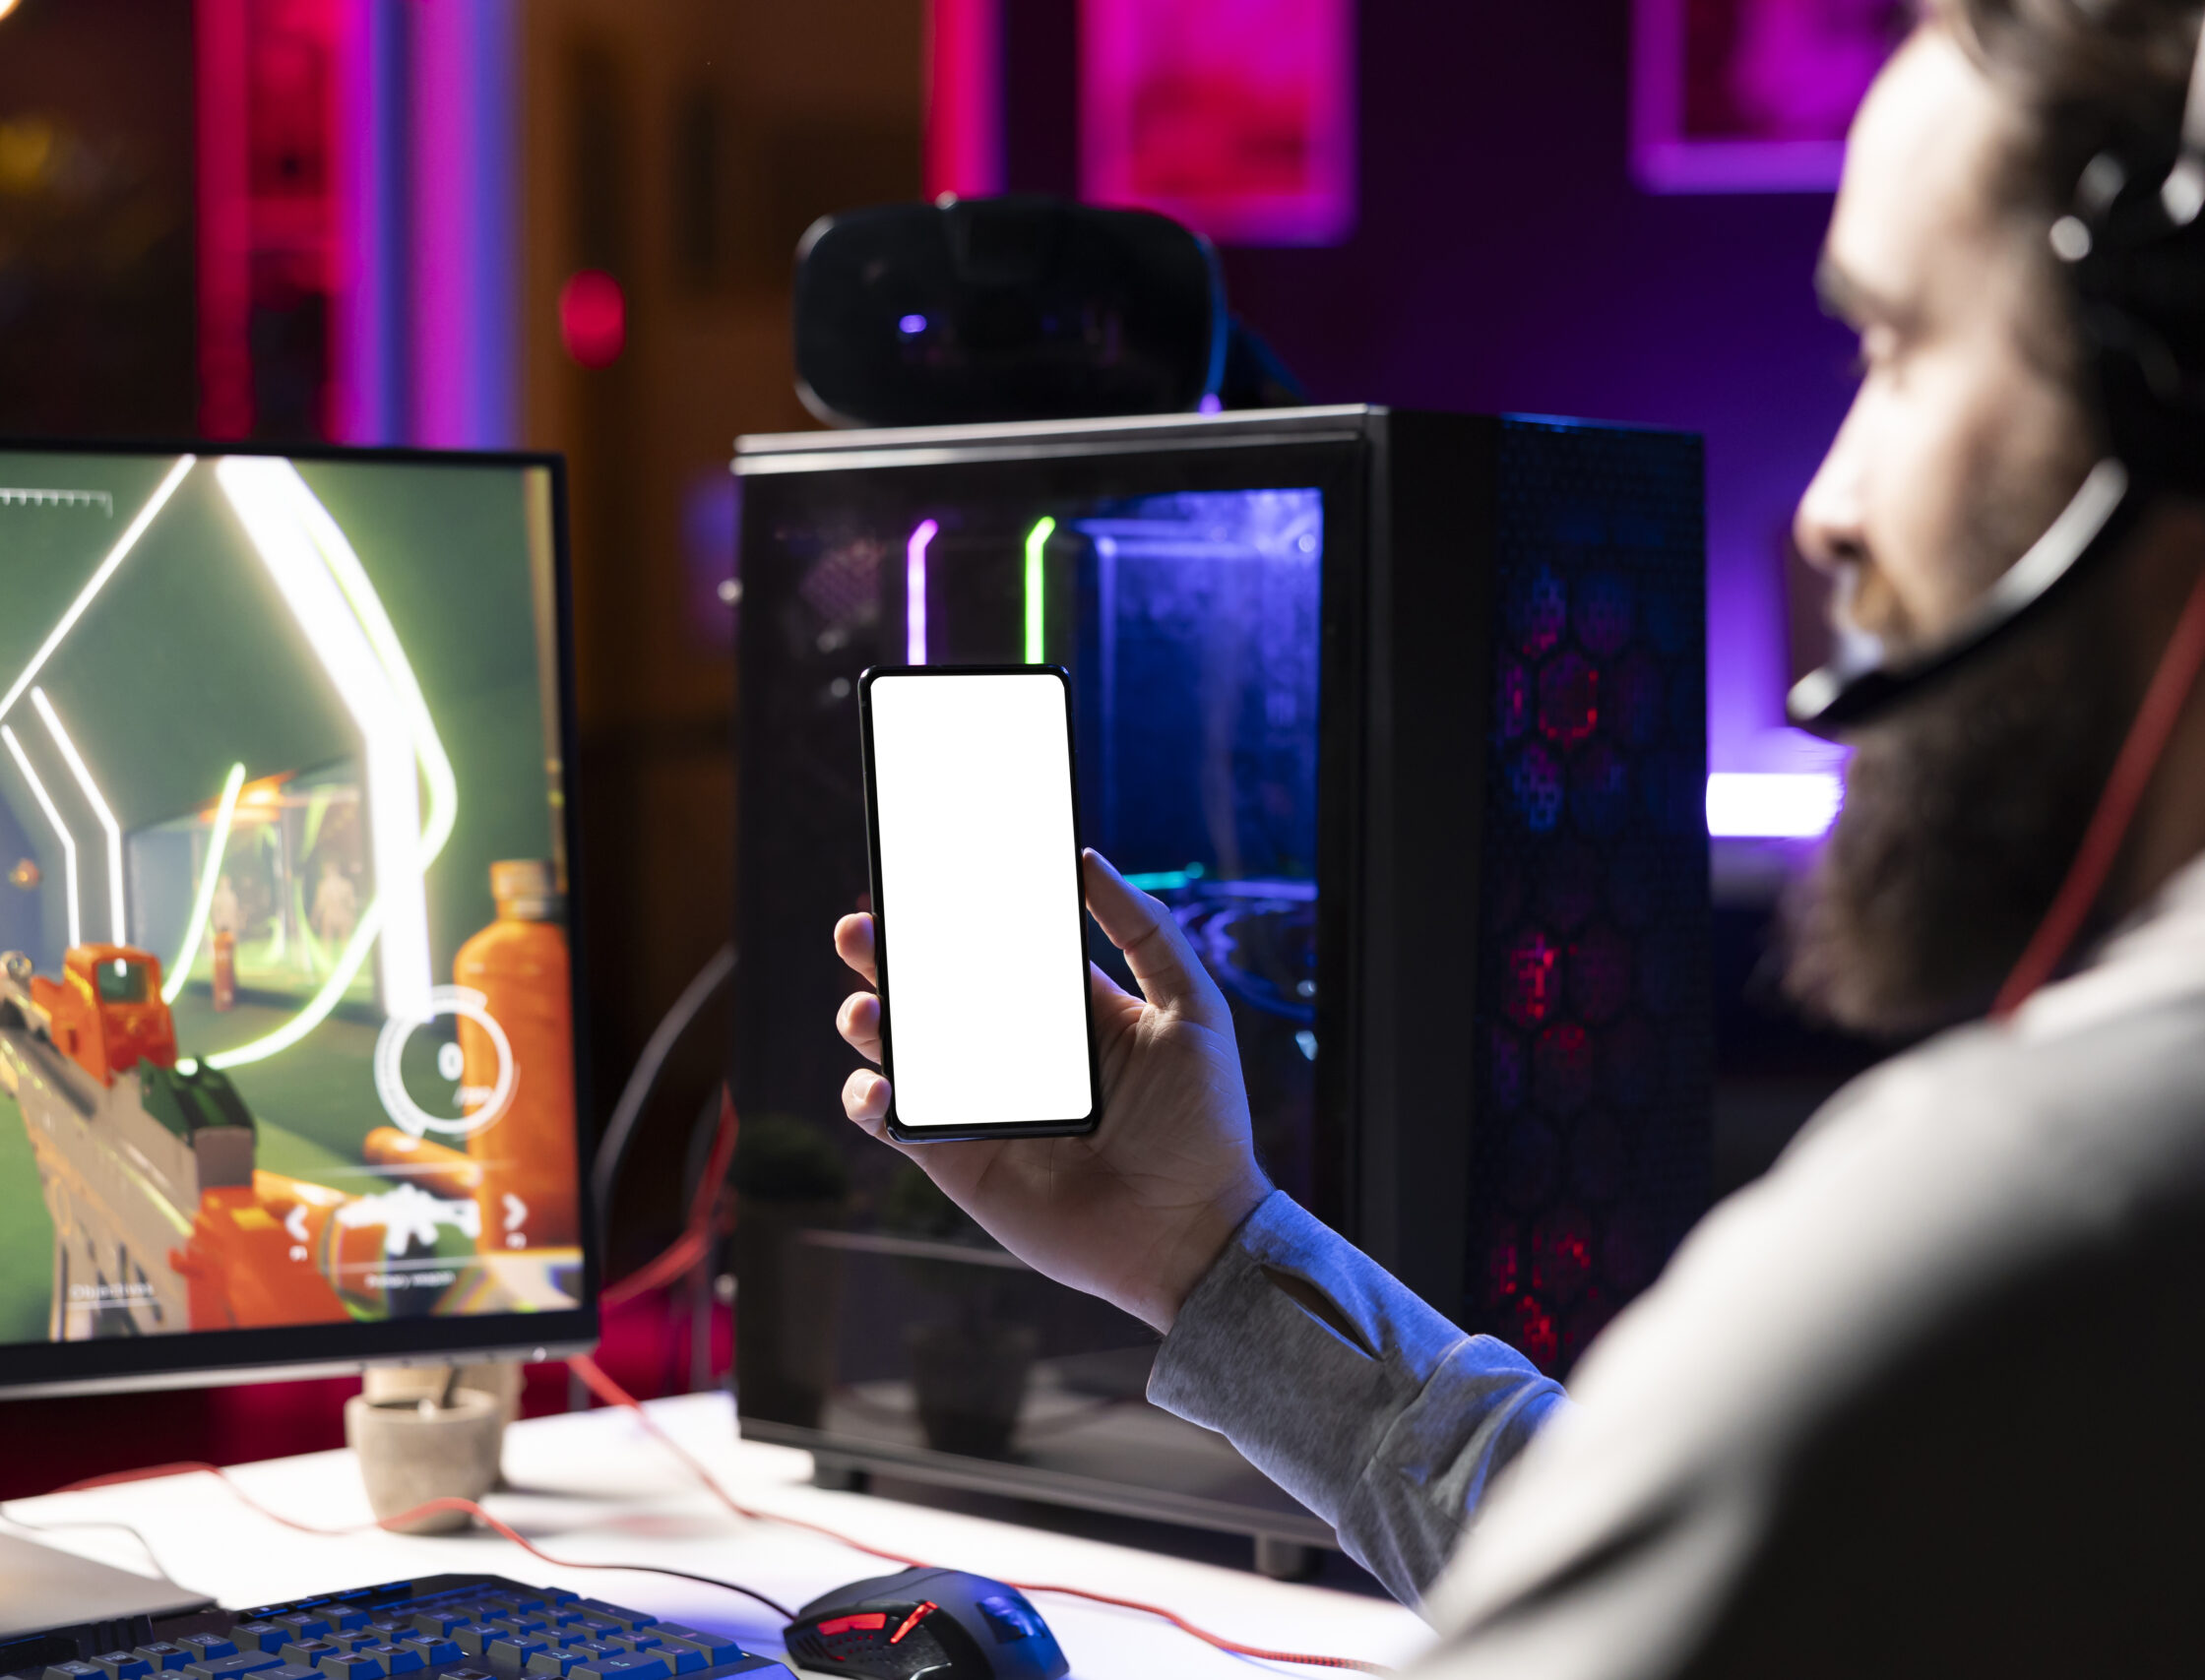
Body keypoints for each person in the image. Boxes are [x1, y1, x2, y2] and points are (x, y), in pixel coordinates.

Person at [831, 1, 2205, 1670]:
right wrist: (1201, 1251)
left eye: (1900, 344)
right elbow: (1616, 1539)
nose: (1827, 506)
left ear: (2170, 402)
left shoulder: (2026, 1213)